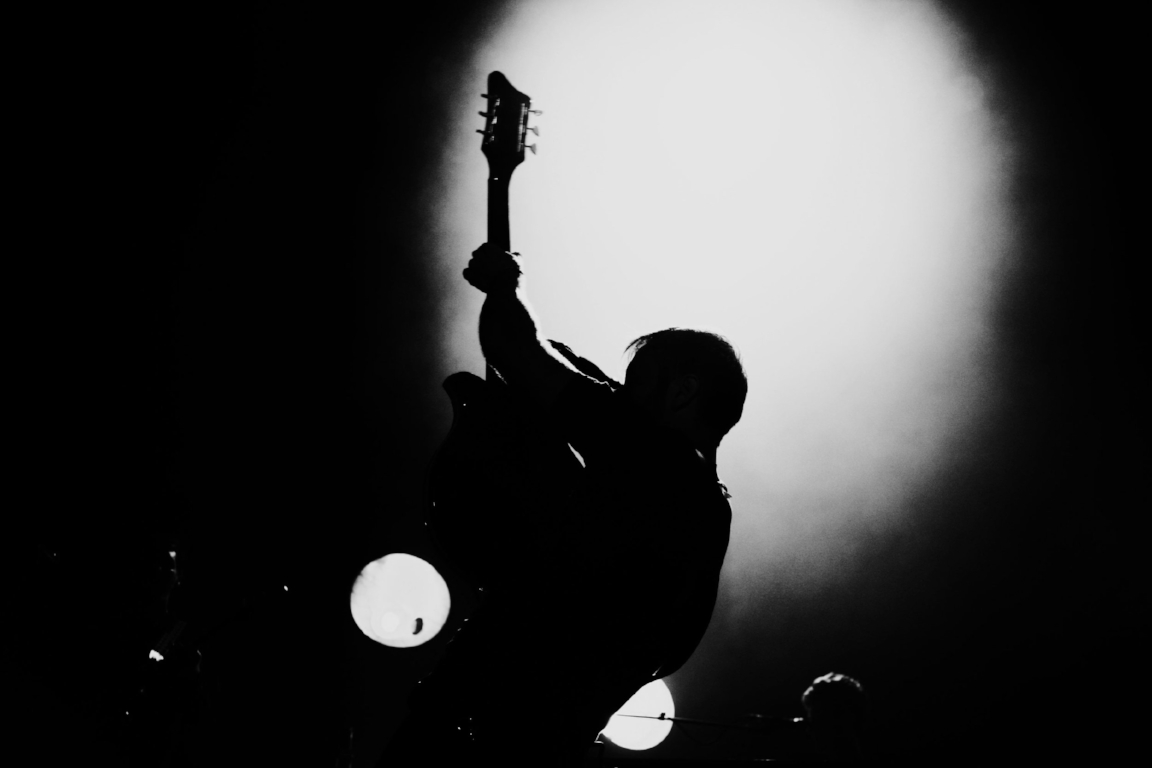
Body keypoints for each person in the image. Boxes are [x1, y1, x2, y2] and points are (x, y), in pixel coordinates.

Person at [378, 243, 747, 767]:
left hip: (474, 733)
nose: (621, 394)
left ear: (683, 393)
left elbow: (516, 349)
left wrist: (505, 287)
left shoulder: (655, 460)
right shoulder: (708, 516)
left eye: (636, 383)